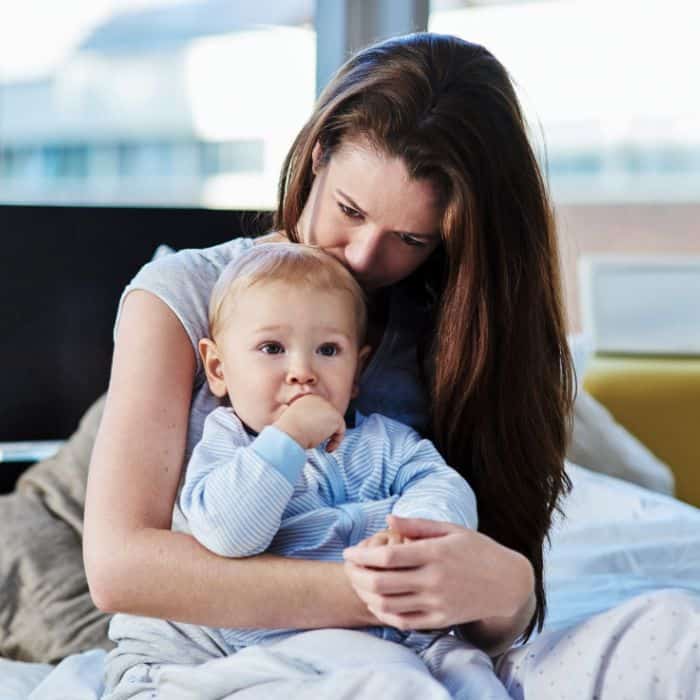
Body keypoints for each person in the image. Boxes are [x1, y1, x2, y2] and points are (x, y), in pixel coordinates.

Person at [87, 30, 698, 698]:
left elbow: (482, 592)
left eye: (410, 239)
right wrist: (373, 590)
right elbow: (120, 568)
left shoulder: (455, 332)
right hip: (221, 658)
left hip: (420, 649)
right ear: (319, 153)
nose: (362, 257)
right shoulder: (182, 295)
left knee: (676, 634)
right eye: (350, 210)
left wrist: (508, 585)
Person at [102, 242, 511, 698]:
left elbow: (440, 484)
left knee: (466, 669)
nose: (303, 371)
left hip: (364, 641)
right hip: (239, 652)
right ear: (217, 367)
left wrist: (414, 536)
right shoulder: (228, 445)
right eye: (272, 347)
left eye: (328, 350)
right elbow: (230, 534)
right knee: (385, 681)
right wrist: (289, 439)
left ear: (358, 371)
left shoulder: (382, 443)